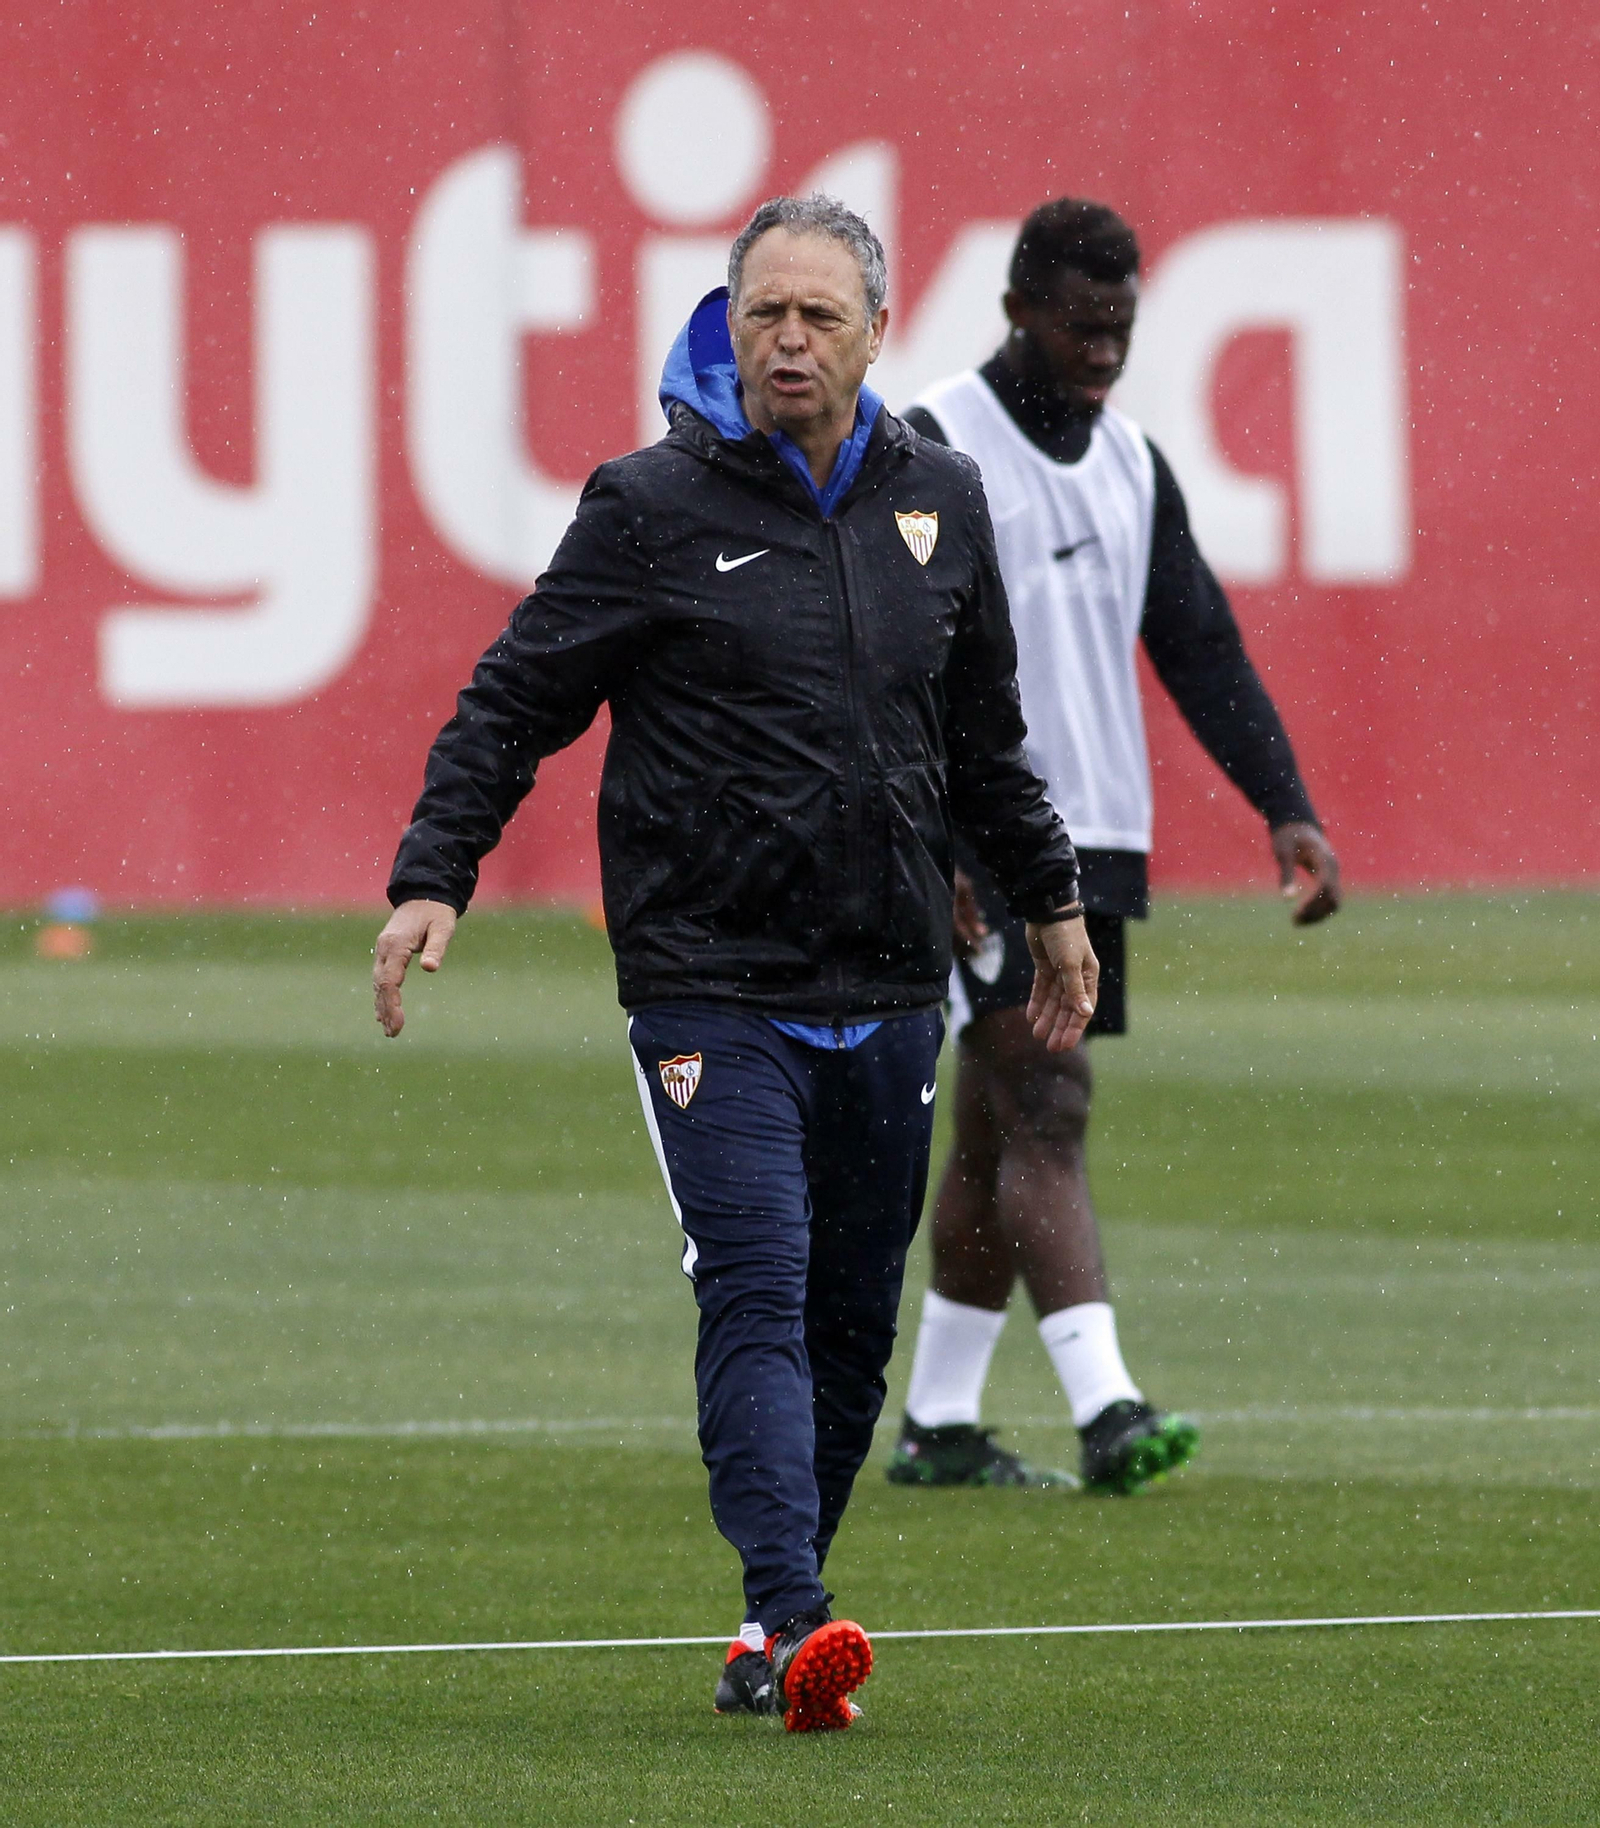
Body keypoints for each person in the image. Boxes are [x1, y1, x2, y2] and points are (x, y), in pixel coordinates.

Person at [372, 195, 1097, 1730]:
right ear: (729, 317)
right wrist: (436, 877)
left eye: (818, 316)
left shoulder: (942, 502)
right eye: (763, 310)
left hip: (892, 980)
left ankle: (771, 1633)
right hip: (712, 982)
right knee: (757, 1284)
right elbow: (514, 701)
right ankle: (793, 1606)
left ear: (875, 334)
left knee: (850, 1318)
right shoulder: (648, 505)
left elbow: (983, 746)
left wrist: (1052, 903)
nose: (786, 338)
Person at [886, 198, 1341, 1497]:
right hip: (985, 842)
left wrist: (1284, 801)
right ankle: (1108, 1405)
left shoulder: (1137, 463)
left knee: (993, 1130)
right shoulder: (933, 449)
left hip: (1096, 840)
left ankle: (939, 1422)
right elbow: (889, 659)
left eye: (1122, 329)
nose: (1103, 353)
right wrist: (942, 844)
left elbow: (1198, 642)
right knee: (1051, 1100)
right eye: (1081, 327)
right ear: (1018, 310)